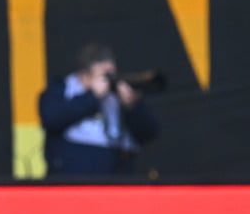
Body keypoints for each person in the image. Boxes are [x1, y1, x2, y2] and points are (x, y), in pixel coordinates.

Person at [39, 42, 160, 177]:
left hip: (118, 174)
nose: (109, 80)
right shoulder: (61, 89)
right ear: (84, 76)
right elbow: (51, 119)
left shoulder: (117, 94)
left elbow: (148, 133)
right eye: (104, 76)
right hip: (74, 175)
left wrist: (132, 106)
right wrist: (92, 97)